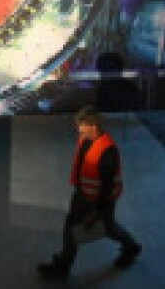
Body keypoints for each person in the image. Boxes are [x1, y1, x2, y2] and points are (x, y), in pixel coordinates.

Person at [38, 106, 142, 279]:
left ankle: (131, 247)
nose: (79, 129)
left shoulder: (108, 151)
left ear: (94, 126)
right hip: (82, 194)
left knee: (108, 228)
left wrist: (96, 212)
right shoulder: (86, 139)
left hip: (98, 201)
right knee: (72, 229)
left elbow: (107, 189)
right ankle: (63, 265)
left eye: (82, 125)